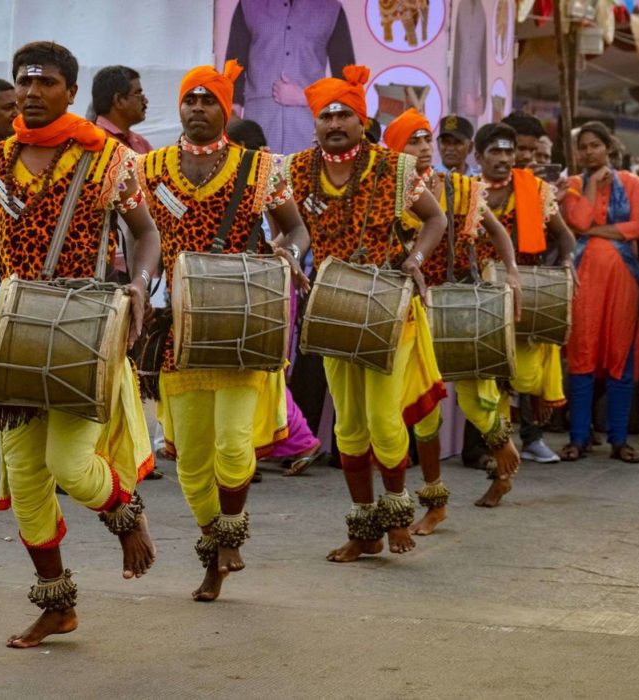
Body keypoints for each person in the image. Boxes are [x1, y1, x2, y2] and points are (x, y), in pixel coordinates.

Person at [0, 41, 161, 647]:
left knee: (71, 466)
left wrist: (138, 285)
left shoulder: (110, 161)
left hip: (85, 330)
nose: (30, 92)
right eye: (23, 82)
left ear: (72, 92)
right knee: (24, 481)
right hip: (16, 332)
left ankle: (125, 513)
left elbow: (146, 233)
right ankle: (57, 604)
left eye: (46, 82)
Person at [137, 60, 308, 598]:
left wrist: (288, 253)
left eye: (209, 100)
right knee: (191, 457)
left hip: (241, 327)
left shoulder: (260, 170)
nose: (198, 108)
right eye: (190, 99)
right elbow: (133, 233)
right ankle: (214, 545)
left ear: (227, 109)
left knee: (235, 446)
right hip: (178, 329)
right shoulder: (150, 169)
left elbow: (296, 228)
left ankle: (227, 540)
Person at [283, 66, 447, 559]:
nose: (334, 123)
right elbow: (290, 227)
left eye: (344, 115)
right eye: (326, 115)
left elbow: (435, 219)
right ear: (315, 124)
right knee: (348, 425)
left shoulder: (394, 169)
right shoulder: (295, 171)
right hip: (333, 307)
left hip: (386, 307)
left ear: (362, 120)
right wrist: (288, 250)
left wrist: (415, 260)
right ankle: (364, 529)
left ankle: (397, 514)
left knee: (384, 420)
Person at [383, 108, 523, 519]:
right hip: (412, 309)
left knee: (479, 402)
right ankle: (435, 502)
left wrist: (511, 271)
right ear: (395, 150)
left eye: (428, 140)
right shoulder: (383, 192)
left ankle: (503, 465)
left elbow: (497, 231)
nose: (426, 148)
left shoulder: (459, 187)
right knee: (424, 411)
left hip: (461, 305)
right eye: (415, 140)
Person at [225, 116, 323, 476]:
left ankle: (298, 439)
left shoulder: (264, 174)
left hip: (271, 281)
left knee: (264, 370)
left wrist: (265, 253)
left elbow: (290, 232)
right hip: (260, 282)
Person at [474, 122, 577, 466]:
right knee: (489, 374)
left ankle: (529, 440)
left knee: (525, 375)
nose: (504, 159)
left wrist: (566, 261)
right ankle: (495, 446)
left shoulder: (533, 189)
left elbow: (565, 237)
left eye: (508, 151)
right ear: (479, 156)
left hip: (524, 295)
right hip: (480, 293)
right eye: (495, 152)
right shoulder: (467, 191)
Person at [559, 122, 639, 463]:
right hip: (585, 280)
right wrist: (594, 185)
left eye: (595, 145)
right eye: (583, 147)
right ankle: (578, 438)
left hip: (623, 279)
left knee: (619, 354)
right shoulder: (574, 185)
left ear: (608, 147)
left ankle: (619, 439)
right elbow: (579, 222)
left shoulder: (632, 181)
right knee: (583, 354)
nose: (588, 152)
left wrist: (598, 230)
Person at [223, 0, 356, 154]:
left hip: (308, 131)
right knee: (255, 176)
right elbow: (233, 69)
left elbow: (346, 86)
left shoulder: (331, 9)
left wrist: (306, 97)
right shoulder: (249, 5)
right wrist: (232, 127)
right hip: (258, 128)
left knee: (304, 176)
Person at [90, 65, 153, 154]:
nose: (145, 101)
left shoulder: (141, 142)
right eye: (138, 94)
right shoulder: (91, 141)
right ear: (119, 100)